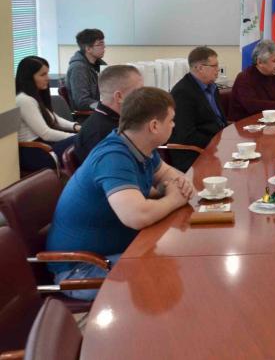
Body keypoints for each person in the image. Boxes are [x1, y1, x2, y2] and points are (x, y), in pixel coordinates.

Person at [46, 87, 193, 300]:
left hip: (115, 252)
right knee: (167, 274)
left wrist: (178, 186)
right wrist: (174, 198)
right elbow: (138, 216)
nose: (173, 125)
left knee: (180, 259)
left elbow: (170, 176)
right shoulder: (113, 157)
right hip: (82, 269)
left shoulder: (139, 146)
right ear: (154, 126)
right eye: (171, 120)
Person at [168, 46, 229, 172]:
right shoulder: (182, 93)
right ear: (200, 68)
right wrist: (217, 142)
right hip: (195, 154)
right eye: (214, 66)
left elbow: (218, 120)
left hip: (216, 146)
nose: (218, 70)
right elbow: (186, 135)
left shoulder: (212, 87)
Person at [16, 56, 80, 173]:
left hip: (44, 146)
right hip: (35, 152)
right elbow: (46, 134)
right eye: (43, 74)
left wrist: (76, 127)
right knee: (87, 140)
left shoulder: (33, 95)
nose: (48, 78)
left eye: (47, 73)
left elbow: (54, 118)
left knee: (88, 139)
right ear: (29, 78)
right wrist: (76, 136)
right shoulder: (24, 100)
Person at [73, 65, 144, 164]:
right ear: (119, 97)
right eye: (139, 92)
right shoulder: (101, 134)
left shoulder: (118, 119)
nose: (144, 97)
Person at [65, 28, 107, 110]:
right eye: (100, 44)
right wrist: (105, 107)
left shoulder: (99, 64)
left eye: (103, 43)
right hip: (87, 115)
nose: (104, 46)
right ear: (88, 49)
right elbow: (82, 102)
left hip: (99, 110)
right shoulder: (78, 68)